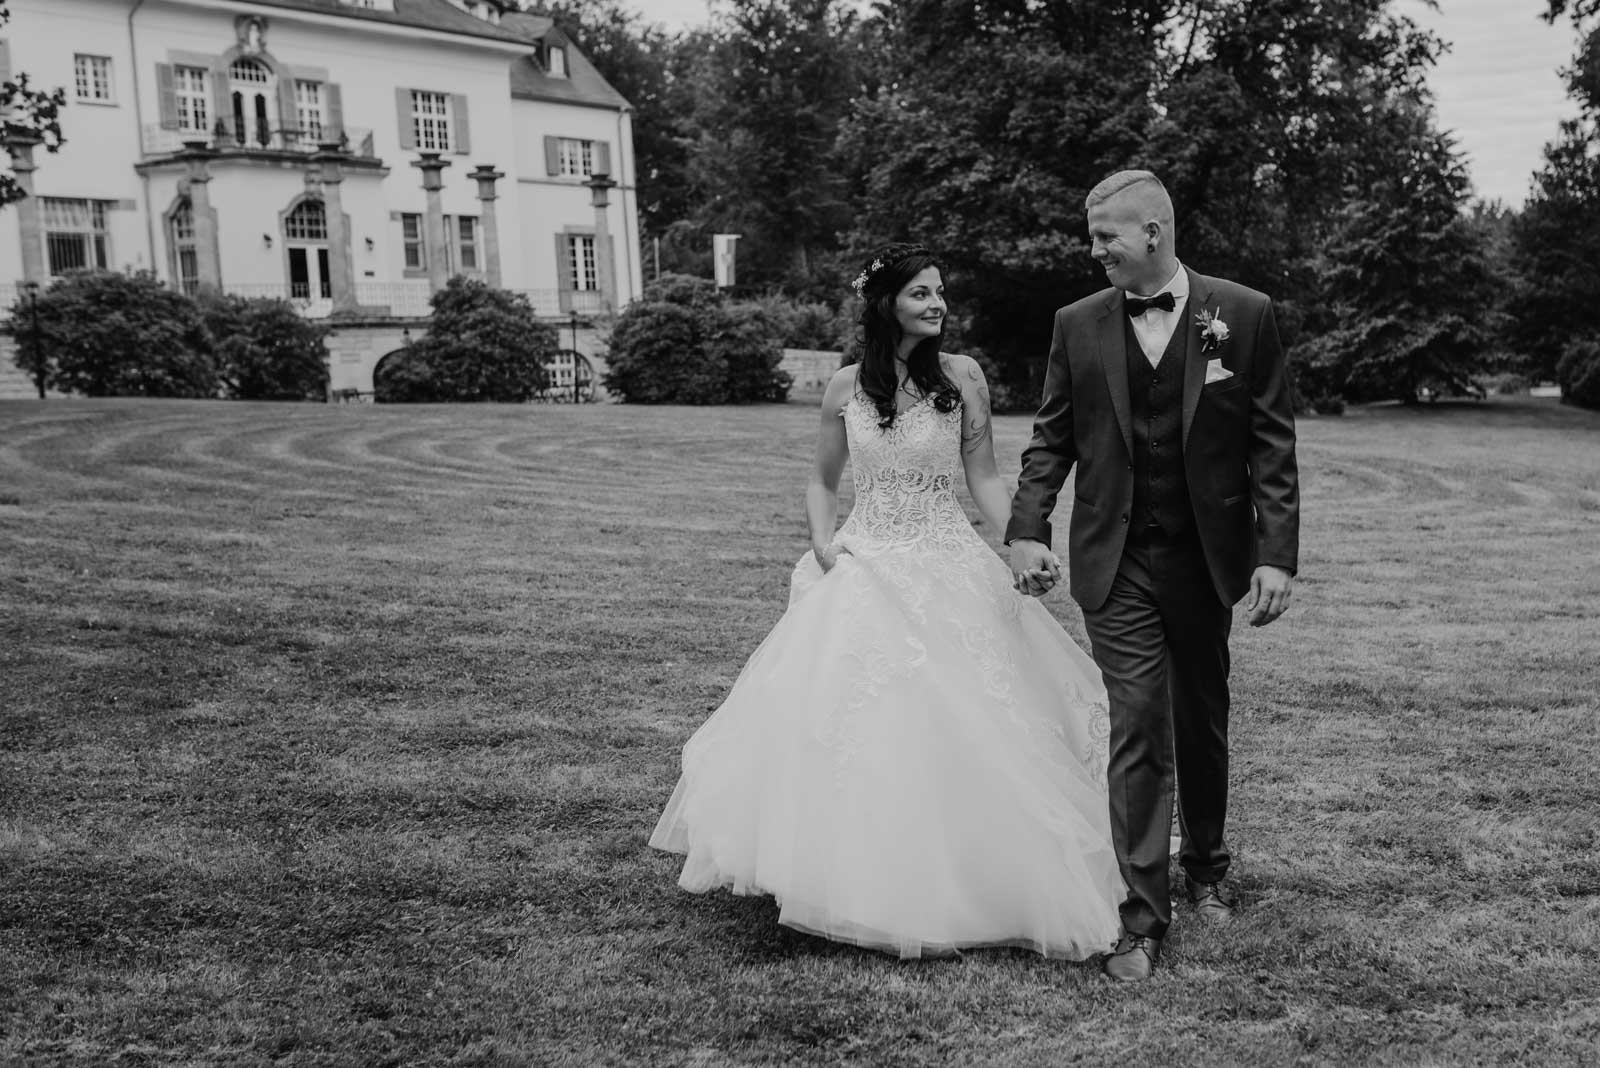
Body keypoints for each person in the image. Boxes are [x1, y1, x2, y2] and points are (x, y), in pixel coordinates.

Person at [650, 244, 1125, 960]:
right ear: (886, 305)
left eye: (940, 292)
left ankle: (974, 869)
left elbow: (985, 478)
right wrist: (821, 540)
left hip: (946, 558)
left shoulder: (963, 378)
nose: (938, 304)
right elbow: (821, 480)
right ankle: (846, 874)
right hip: (866, 560)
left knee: (978, 712)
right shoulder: (844, 388)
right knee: (854, 720)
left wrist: (1020, 539)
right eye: (922, 294)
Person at [1006, 171, 1300, 982]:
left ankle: (1206, 865)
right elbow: (1051, 439)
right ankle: (1141, 919)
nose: (1094, 250)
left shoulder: (1243, 314)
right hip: (1118, 557)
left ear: (1154, 234)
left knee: (1200, 719)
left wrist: (1276, 552)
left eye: (1106, 236)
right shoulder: (1077, 324)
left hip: (1207, 558)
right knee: (1138, 723)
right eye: (1093, 236)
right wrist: (1027, 528)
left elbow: (1271, 443)